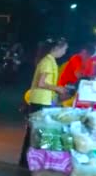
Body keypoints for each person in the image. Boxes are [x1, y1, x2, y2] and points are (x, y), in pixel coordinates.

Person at [18, 38, 68, 167]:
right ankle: (30, 162)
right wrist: (57, 88)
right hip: (41, 100)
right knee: (37, 132)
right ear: (56, 48)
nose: (65, 52)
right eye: (64, 49)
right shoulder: (47, 62)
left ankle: (26, 161)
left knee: (33, 131)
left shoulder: (48, 61)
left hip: (41, 99)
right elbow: (41, 83)